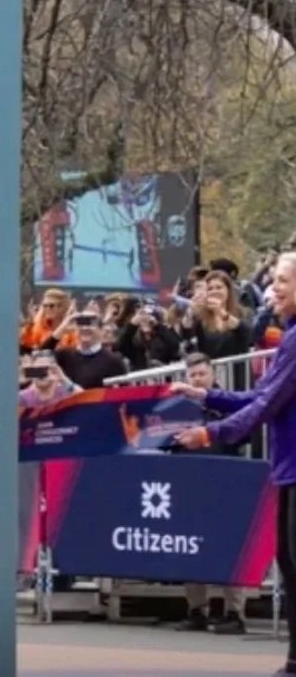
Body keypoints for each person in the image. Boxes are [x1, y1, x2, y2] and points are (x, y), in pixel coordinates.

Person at [173, 251, 296, 674]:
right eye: (274, 280)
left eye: (283, 280)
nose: (273, 289)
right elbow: (260, 396)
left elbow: (265, 406)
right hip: (287, 467)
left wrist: (210, 433)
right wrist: (207, 396)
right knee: (288, 561)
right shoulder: (289, 336)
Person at [162, 352, 248, 634]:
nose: (197, 379)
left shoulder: (228, 404)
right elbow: (165, 441)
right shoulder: (178, 408)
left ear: (213, 375)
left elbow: (244, 434)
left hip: (225, 483)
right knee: (190, 546)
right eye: (192, 375)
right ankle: (196, 610)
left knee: (229, 548)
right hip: (188, 483)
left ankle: (234, 613)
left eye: (202, 374)